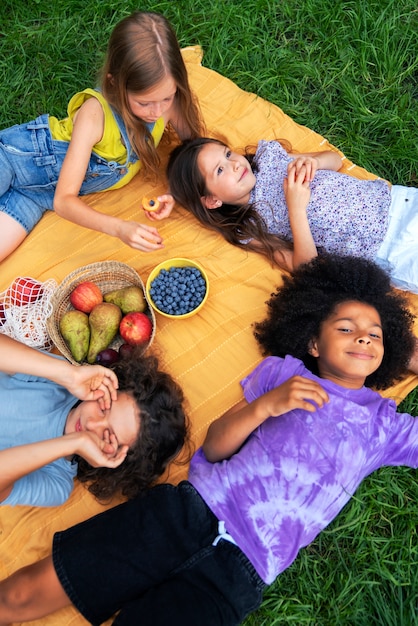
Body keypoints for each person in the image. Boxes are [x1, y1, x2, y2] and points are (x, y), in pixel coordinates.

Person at [0, 254, 416, 625]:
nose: (363, 336)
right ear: (313, 342)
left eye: (375, 333)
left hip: (243, 572)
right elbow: (214, 447)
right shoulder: (283, 373)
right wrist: (266, 406)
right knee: (19, 596)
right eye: (346, 327)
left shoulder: (386, 427)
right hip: (187, 511)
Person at [0, 11, 203, 262]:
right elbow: (64, 200)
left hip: (34, 196)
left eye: (167, 98)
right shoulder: (95, 115)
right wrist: (119, 228)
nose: (158, 111)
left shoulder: (169, 103)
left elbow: (197, 152)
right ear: (115, 83)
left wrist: (174, 193)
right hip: (14, 159)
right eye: (145, 103)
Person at [162, 137, 418, 294]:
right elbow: (306, 268)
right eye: (220, 170)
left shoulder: (268, 159)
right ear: (212, 200)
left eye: (228, 154)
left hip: (396, 203)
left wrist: (313, 163)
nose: (235, 164)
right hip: (386, 251)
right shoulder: (248, 227)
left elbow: (334, 159)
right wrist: (296, 209)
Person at [0, 334, 187, 507]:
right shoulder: (61, 382)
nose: (91, 424)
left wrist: (73, 443)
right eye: (103, 408)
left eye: (108, 436)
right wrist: (68, 374)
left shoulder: (57, 481)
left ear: (114, 458)